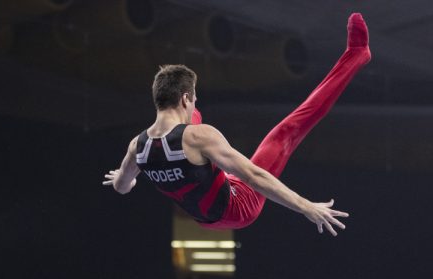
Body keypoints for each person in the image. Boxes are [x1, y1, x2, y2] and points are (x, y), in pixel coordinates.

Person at [103, 13, 371, 236]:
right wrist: (305, 207)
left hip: (205, 217)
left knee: (190, 128)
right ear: (185, 98)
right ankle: (357, 54)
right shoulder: (200, 138)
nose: (195, 104)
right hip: (238, 207)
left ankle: (195, 148)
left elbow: (122, 187)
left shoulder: (136, 148)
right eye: (193, 99)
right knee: (286, 133)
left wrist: (123, 176)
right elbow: (253, 176)